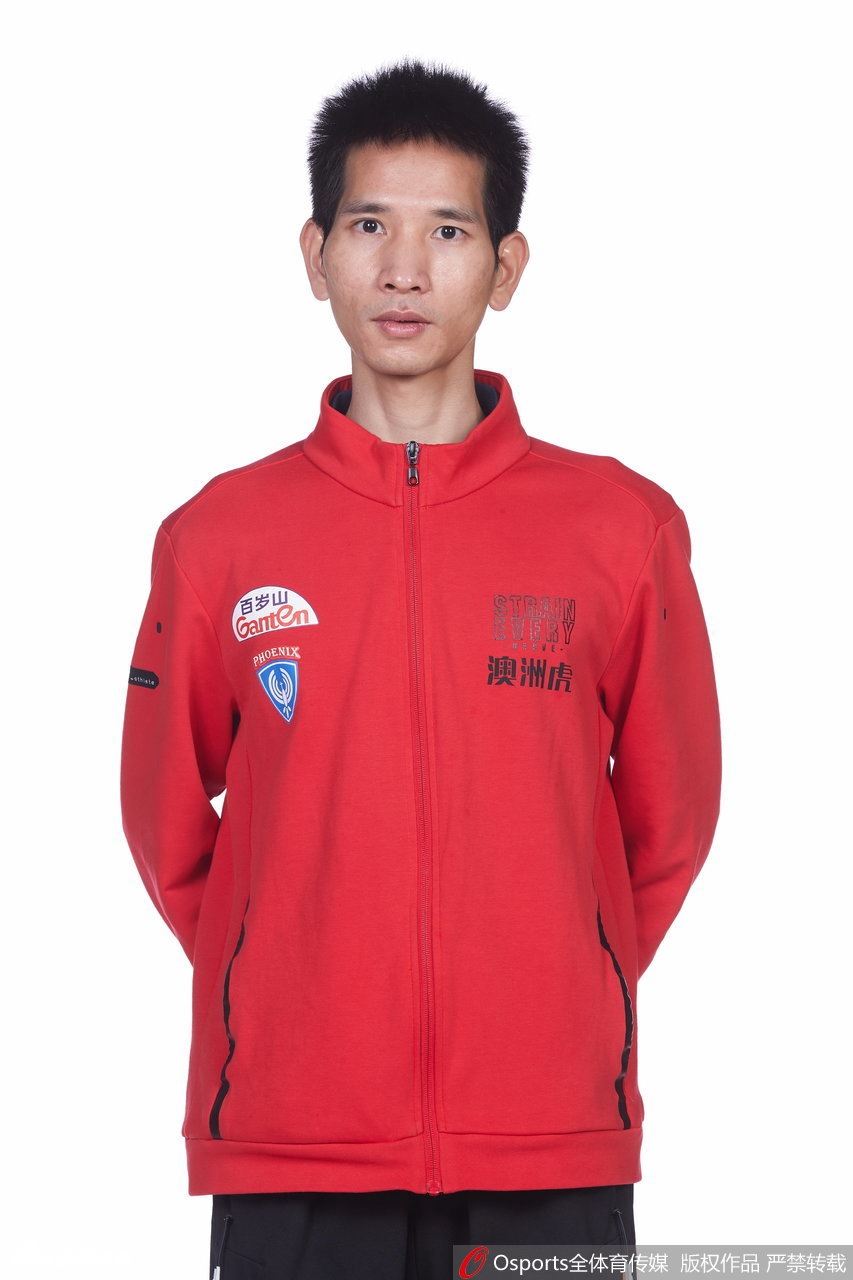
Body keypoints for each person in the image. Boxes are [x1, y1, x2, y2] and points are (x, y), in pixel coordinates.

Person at [120, 56, 722, 1279]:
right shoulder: (217, 537)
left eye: (447, 229)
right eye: (368, 226)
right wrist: (288, 967)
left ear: (504, 267)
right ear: (315, 254)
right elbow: (165, 817)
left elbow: (671, 819)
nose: (404, 268)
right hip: (292, 1143)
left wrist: (558, 968)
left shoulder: (621, 528)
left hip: (549, 1141)